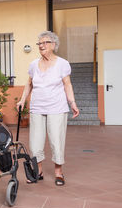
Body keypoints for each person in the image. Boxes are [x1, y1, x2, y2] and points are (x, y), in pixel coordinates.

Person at [17, 31, 79, 186]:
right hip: (37, 107)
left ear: (54, 45)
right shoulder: (33, 64)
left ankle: (59, 172)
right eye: (39, 43)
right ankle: (39, 171)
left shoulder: (62, 64)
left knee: (56, 141)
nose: (41, 46)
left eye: (45, 43)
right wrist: (22, 100)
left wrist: (72, 103)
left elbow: (67, 84)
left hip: (57, 107)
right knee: (35, 142)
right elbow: (29, 84)